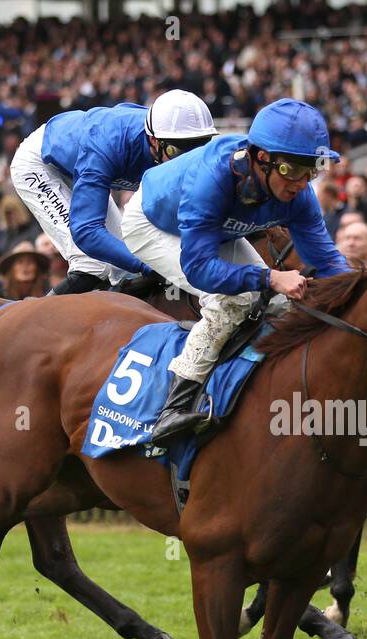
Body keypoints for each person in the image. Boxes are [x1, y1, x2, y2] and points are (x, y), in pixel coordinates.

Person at [121, 97, 352, 446]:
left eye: (311, 171)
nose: (301, 184)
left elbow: (329, 261)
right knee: (239, 298)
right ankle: (173, 405)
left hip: (216, 226)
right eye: (291, 170)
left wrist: (359, 291)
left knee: (272, 302)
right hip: (151, 223)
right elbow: (198, 269)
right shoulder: (211, 178)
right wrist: (271, 277)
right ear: (262, 158)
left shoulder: (299, 195)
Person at [10, 89, 217, 296]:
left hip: (84, 161)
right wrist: (150, 266)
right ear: (154, 140)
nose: (187, 160)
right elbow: (87, 232)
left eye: (199, 148)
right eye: (176, 151)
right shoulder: (107, 146)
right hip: (42, 164)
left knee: (125, 268)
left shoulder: (168, 135)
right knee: (92, 263)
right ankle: (35, 324)